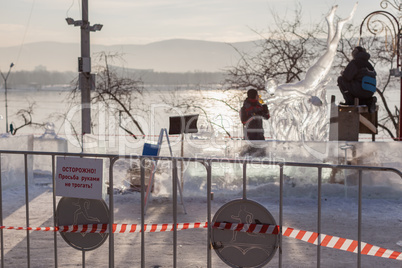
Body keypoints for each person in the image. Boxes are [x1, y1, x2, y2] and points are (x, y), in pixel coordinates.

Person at [337, 46, 377, 113]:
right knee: (358, 86)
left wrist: (343, 73)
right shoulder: (370, 65)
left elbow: (347, 77)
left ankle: (350, 102)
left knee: (341, 80)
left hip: (360, 90)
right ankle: (368, 101)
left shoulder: (355, 62)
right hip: (370, 92)